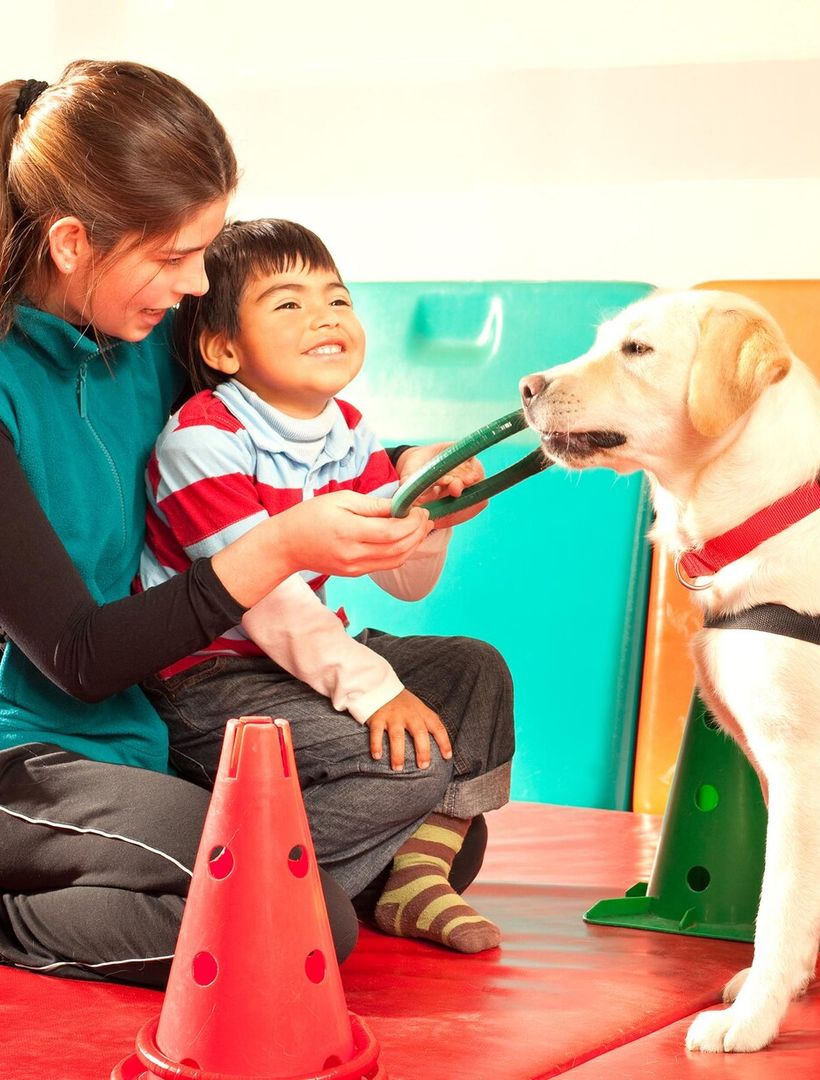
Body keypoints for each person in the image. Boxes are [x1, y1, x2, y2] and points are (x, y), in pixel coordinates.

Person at [0, 62, 510, 988]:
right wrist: (276, 547)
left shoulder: (146, 330)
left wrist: (408, 470)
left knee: (444, 793)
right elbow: (78, 658)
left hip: (148, 727)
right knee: (291, 917)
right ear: (73, 243)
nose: (200, 282)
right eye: (173, 256)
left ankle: (249, 877)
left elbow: (268, 438)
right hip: (27, 754)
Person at [139, 217, 512, 953]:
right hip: (210, 678)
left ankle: (415, 878)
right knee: (406, 765)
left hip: (300, 656)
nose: (324, 316)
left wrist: (432, 509)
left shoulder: (348, 428)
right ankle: (254, 895)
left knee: (475, 670)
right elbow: (266, 603)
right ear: (223, 348)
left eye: (336, 299)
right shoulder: (201, 441)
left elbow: (402, 579)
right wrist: (375, 692)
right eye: (287, 304)